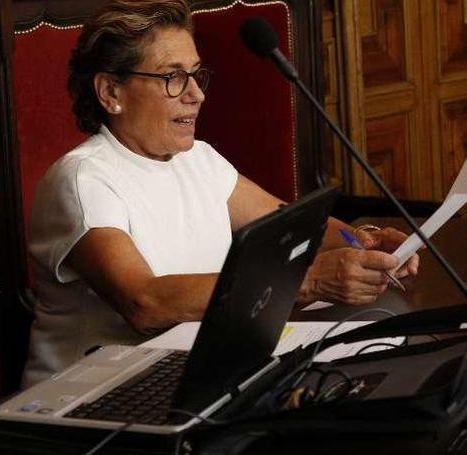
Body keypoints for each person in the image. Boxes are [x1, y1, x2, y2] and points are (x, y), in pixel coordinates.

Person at [21, 0, 419, 387]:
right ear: (111, 92)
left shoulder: (196, 158)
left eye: (195, 74)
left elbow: (291, 226)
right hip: (100, 398)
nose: (197, 94)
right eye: (172, 77)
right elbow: (145, 302)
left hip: (198, 372)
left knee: (389, 329)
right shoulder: (82, 180)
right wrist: (310, 281)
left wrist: (365, 242)